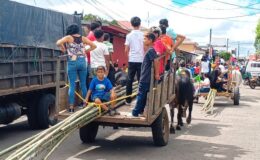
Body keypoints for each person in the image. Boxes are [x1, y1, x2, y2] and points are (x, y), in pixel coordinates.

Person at [56, 24, 96, 112]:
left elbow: (58, 43)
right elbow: (94, 46)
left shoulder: (68, 37)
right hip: (82, 61)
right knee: (83, 84)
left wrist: (63, 48)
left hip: (72, 62)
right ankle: (85, 104)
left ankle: (71, 107)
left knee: (72, 85)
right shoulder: (83, 38)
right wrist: (85, 51)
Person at [132, 32, 160, 117]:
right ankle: (140, 111)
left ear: (150, 40)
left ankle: (135, 112)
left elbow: (156, 61)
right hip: (145, 77)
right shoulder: (149, 49)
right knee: (143, 96)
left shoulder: (151, 50)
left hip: (145, 78)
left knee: (141, 95)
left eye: (145, 39)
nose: (144, 40)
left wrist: (157, 74)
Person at [125, 16, 144, 105]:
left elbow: (126, 49)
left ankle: (128, 100)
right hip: (141, 60)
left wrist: (129, 56)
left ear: (131, 24)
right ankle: (139, 100)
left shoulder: (129, 35)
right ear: (140, 24)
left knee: (129, 80)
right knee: (141, 80)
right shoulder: (143, 35)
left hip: (132, 59)